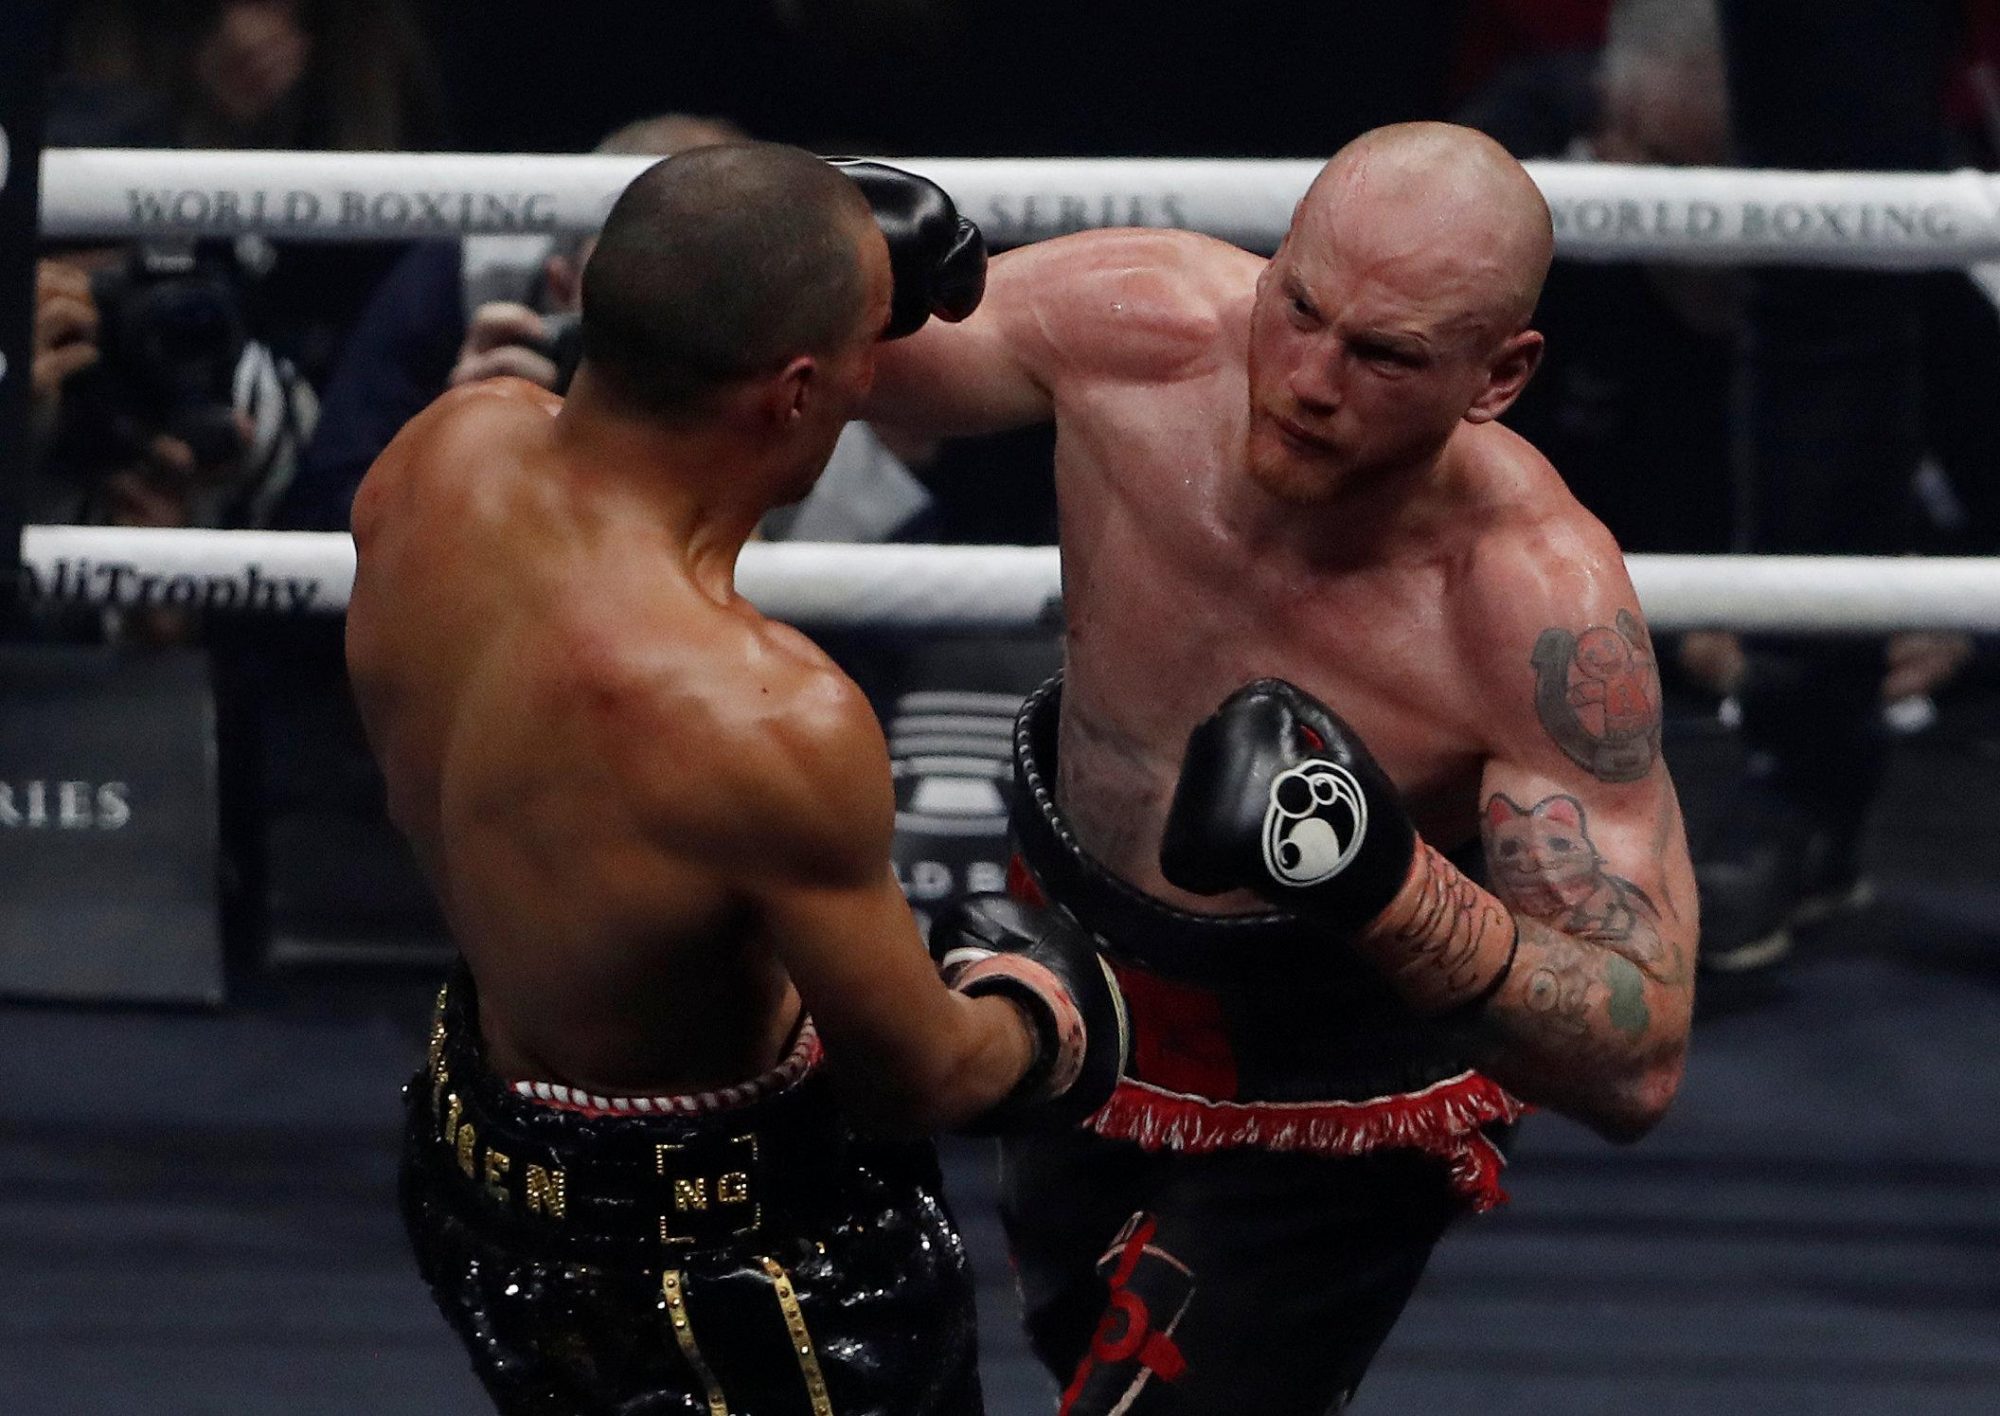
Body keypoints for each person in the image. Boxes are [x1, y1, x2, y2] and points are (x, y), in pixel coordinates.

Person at [862, 121, 1698, 1412]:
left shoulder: (1532, 605)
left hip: (1327, 1077)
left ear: (1499, 376)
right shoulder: (1138, 323)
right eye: (1298, 307)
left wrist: (1384, 883)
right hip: (1075, 979)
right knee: (1071, 1360)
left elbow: (1637, 1054)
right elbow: (856, 375)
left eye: (1384, 355)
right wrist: (814, 267)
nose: (1308, 379)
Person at [345, 144, 1126, 1415]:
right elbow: (920, 1078)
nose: (882, 371)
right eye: (869, 347)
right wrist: (1044, 1015)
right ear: (798, 388)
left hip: (474, 1148)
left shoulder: (440, 452)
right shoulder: (761, 718)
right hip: (728, 1262)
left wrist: (805, 247)